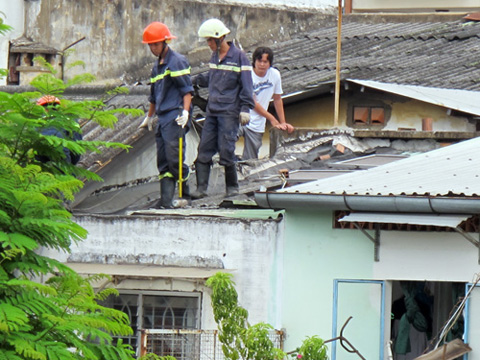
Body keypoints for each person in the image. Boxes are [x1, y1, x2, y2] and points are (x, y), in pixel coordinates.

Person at [191, 18, 254, 199]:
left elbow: (247, 86)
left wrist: (245, 108)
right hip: (212, 111)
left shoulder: (240, 57)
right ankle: (201, 188)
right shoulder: (214, 57)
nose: (208, 44)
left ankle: (232, 188)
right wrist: (194, 81)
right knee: (204, 149)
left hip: (229, 112)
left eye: (210, 40)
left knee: (226, 150)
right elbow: (212, 77)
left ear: (220, 38)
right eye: (207, 40)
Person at [139, 21, 193, 208]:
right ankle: (166, 199)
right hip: (162, 116)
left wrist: (186, 112)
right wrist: (149, 117)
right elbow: (153, 96)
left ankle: (185, 195)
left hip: (176, 114)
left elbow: (187, 91)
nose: (153, 48)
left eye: (155, 44)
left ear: (164, 42)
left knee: (174, 157)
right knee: (163, 159)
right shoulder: (156, 66)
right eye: (150, 45)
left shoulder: (176, 61)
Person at [238, 46, 294, 160]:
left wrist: (282, 123)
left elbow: (277, 98)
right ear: (254, 61)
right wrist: (272, 118)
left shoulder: (275, 75)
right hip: (240, 116)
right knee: (226, 142)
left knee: (250, 160)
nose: (262, 64)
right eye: (259, 61)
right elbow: (252, 102)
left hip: (257, 124)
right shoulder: (247, 74)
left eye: (265, 61)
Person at [36, 95, 82, 166]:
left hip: (43, 161)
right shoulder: (70, 119)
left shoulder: (35, 122)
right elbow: (76, 151)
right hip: (63, 157)